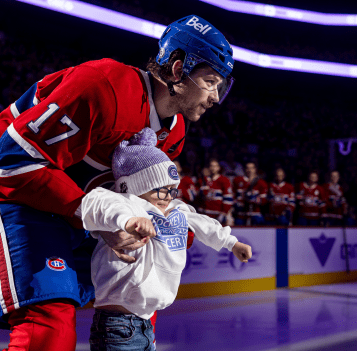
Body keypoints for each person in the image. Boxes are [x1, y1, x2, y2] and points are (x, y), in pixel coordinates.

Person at [0, 15, 235, 351]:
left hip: (75, 206)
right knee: (49, 329)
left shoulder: (175, 131)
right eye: (210, 81)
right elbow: (9, 163)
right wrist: (96, 218)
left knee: (137, 298)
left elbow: (134, 197)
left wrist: (168, 225)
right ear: (178, 70)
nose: (215, 97)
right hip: (12, 192)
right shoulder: (102, 86)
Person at [88, 129, 252, 351]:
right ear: (138, 185)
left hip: (146, 324)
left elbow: (203, 223)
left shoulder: (175, 208)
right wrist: (127, 221)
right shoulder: (127, 203)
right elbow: (97, 203)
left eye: (172, 190)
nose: (168, 197)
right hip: (117, 323)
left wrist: (232, 243)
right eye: (161, 190)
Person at [197, 158, 234, 224]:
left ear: (218, 168)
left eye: (215, 166)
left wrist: (223, 213)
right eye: (211, 166)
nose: (213, 168)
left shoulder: (224, 180)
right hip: (203, 214)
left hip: (217, 215)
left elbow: (228, 199)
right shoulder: (203, 180)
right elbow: (197, 197)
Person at [233, 161, 268, 226]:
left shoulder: (261, 183)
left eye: (252, 168)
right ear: (244, 169)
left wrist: (254, 199)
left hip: (255, 214)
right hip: (241, 214)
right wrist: (237, 203)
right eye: (247, 168)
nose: (249, 170)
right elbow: (233, 196)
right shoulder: (238, 180)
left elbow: (264, 201)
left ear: (255, 169)